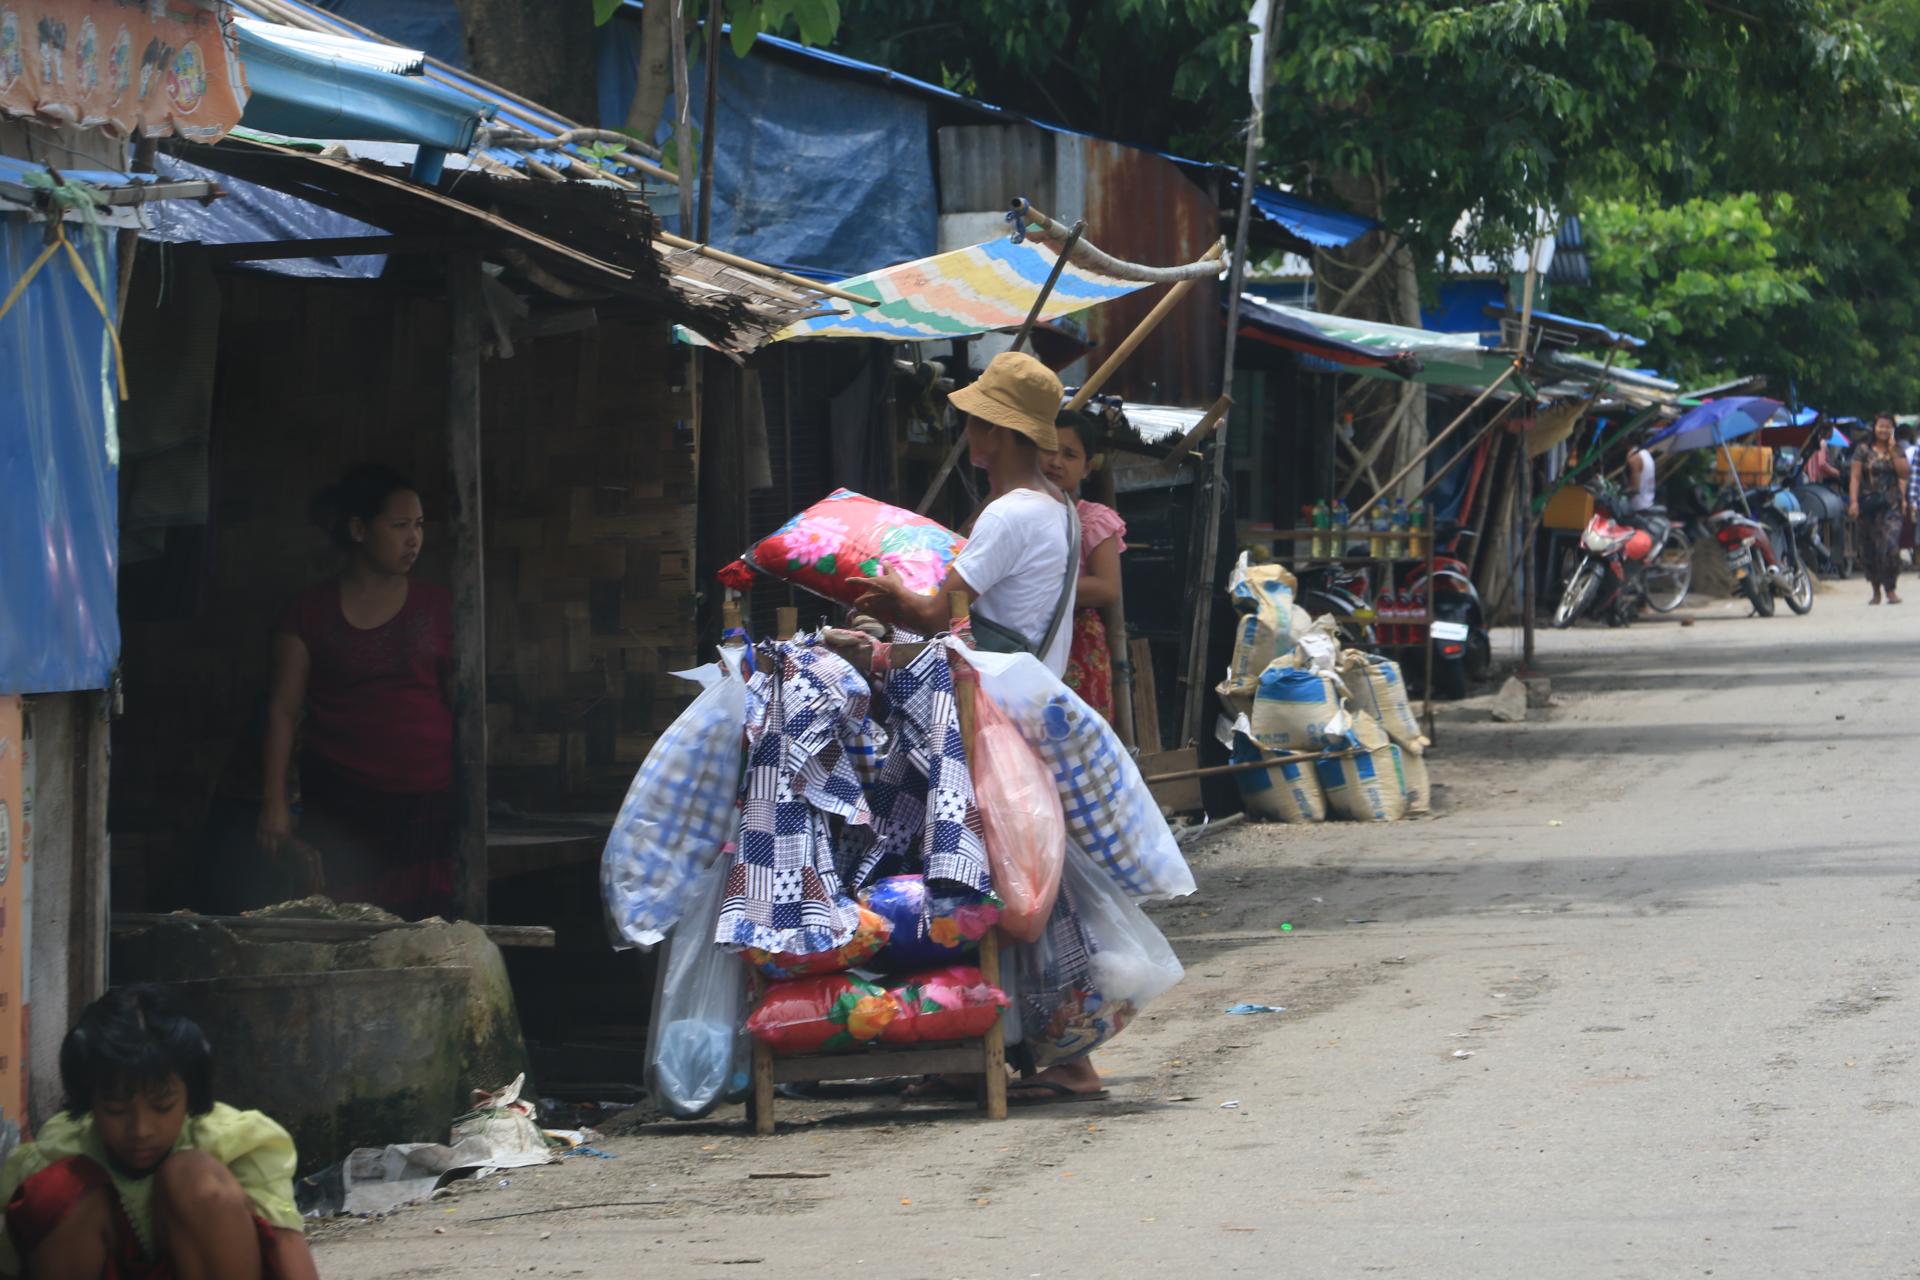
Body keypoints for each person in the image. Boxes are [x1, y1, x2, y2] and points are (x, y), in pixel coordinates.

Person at [0, 986, 318, 1280]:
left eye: (163, 1106)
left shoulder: (238, 1141)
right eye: (116, 1109)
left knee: (195, 1177)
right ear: (89, 1099)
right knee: (56, 1190)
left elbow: (286, 1241)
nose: (141, 1130)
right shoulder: (57, 1151)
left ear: (190, 1094)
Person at [257, 464, 456, 919]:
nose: (414, 539)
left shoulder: (439, 608)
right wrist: (274, 803)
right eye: (400, 525)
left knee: (424, 930)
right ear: (359, 529)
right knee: (346, 927)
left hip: (426, 802)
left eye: (420, 525)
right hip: (342, 804)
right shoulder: (308, 614)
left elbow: (456, 701)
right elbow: (283, 712)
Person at [852, 351, 1078, 676]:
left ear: (995, 431)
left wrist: (896, 593)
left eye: (972, 419)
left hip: (997, 704)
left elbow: (936, 617)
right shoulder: (1060, 507)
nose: (966, 428)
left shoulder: (1009, 514)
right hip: (1033, 694)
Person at [1042, 412, 1127, 720]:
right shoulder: (1016, 508)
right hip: (1029, 638)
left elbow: (1107, 588)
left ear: (1087, 468)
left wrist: (1039, 590)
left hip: (1077, 643)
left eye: (1070, 455)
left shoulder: (1092, 519)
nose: (1056, 461)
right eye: (1049, 449)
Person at [1848, 412, 1912, 605]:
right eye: (1880, 426)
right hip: (1868, 506)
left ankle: (1891, 589)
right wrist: (1853, 502)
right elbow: (1855, 477)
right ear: (1874, 427)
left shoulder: (1897, 449)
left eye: (1887, 426)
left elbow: (1904, 473)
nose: (1883, 430)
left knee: (1891, 548)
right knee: (1870, 549)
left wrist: (1893, 452)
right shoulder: (1862, 450)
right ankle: (1876, 591)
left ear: (1892, 429)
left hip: (1891, 505)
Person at [1625, 432, 1658, 513]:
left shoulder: (1634, 459)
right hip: (1648, 502)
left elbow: (1634, 489)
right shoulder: (1646, 454)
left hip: (1637, 507)